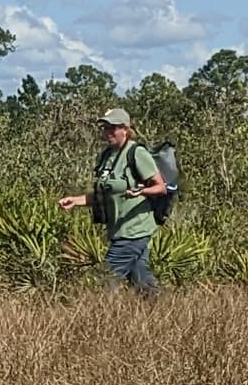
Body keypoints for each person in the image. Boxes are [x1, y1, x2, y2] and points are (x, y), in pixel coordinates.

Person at [59, 103, 170, 293]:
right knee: (143, 282)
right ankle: (164, 312)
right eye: (105, 127)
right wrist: (76, 200)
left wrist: (141, 191)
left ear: (125, 129)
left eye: (112, 127)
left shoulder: (136, 153)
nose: (107, 131)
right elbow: (106, 192)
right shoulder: (106, 156)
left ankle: (99, 315)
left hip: (134, 230)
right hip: (117, 230)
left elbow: (161, 187)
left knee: (103, 281)